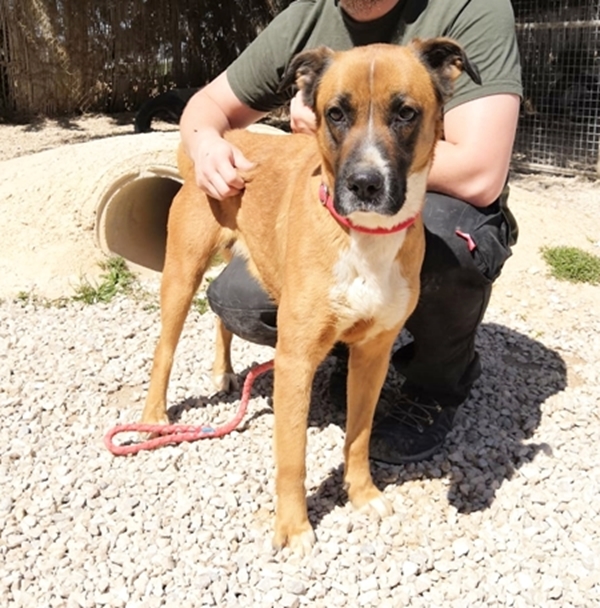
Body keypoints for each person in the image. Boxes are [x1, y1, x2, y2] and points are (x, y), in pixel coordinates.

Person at [178, 0, 522, 465]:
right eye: (338, 114)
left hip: (442, 202)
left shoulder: (469, 8)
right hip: (337, 218)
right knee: (241, 299)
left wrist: (370, 167)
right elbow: (207, 106)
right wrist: (205, 146)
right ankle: (348, 346)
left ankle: (434, 385)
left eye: (404, 113)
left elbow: (481, 174)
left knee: (448, 242)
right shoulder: (307, 16)